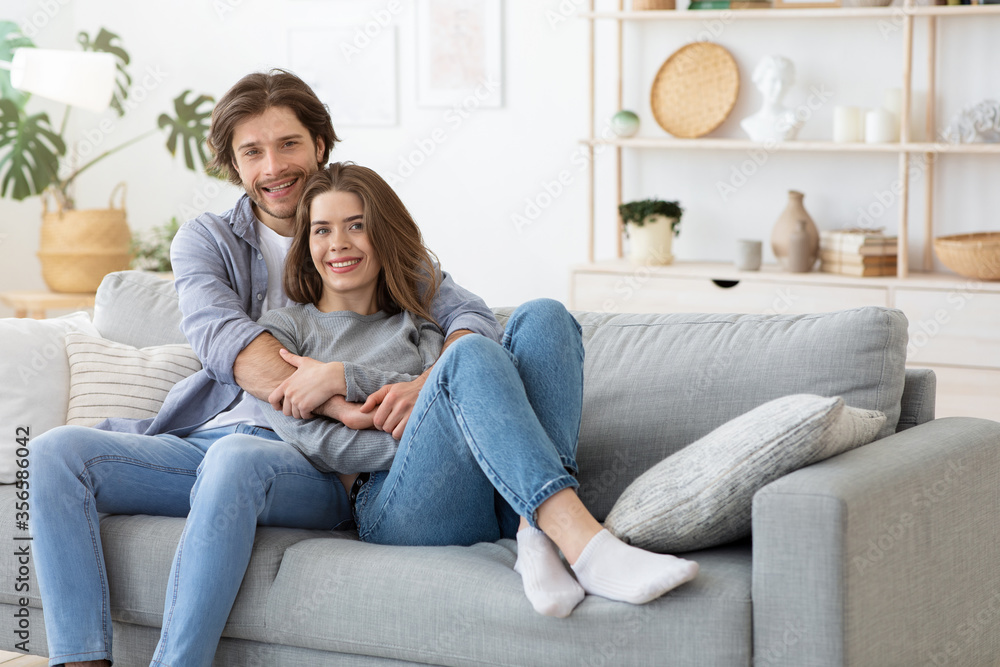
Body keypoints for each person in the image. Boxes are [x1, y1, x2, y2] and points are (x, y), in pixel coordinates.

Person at [28, 70, 502, 667]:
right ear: (233, 163)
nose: (273, 166)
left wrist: (425, 385)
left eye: (289, 144)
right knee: (53, 453)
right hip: (213, 437)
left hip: (316, 463)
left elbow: (471, 319)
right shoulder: (208, 240)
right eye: (253, 151)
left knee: (238, 457)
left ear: (320, 146)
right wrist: (334, 394)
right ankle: (80, 660)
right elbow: (223, 341)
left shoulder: (366, 235)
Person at [256, 162, 700, 620]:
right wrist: (426, 419)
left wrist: (350, 381)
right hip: (398, 504)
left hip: (495, 493)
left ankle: (536, 529)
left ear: (385, 234)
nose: (338, 244)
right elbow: (315, 442)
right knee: (466, 357)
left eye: (356, 226)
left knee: (544, 316)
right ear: (306, 243)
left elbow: (480, 382)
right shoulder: (286, 332)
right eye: (321, 230)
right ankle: (582, 541)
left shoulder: (424, 319)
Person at [739, 54, 802, 143]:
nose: (779, 87)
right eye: (773, 80)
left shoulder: (794, 118)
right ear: (760, 83)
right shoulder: (749, 123)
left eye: (784, 82)